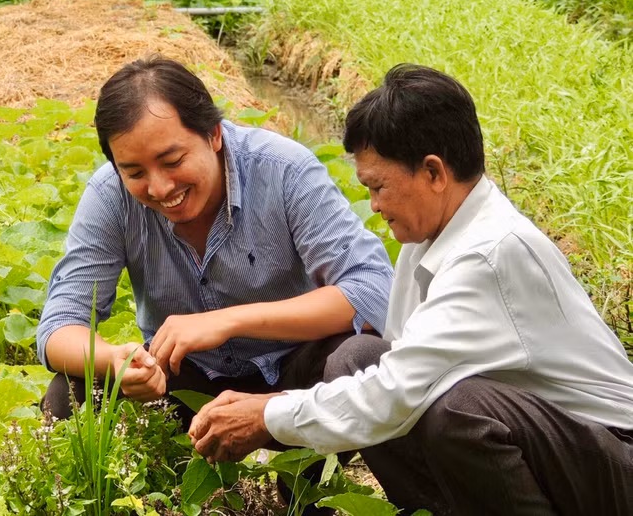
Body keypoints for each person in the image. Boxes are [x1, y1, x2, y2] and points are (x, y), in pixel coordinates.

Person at [188, 64, 633, 515]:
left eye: (379, 187)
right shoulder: (428, 241)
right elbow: (391, 370)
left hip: (613, 458)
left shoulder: (487, 253)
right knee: (354, 358)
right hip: (552, 449)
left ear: (434, 173)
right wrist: (278, 404)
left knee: (457, 409)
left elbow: (397, 393)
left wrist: (267, 415)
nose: (375, 205)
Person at [36, 56, 393, 429]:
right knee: (71, 391)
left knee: (362, 357)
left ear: (214, 135)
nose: (160, 188)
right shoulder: (110, 197)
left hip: (293, 380)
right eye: (135, 172)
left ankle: (304, 484)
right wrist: (115, 360)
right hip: (185, 378)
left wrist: (228, 322)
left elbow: (371, 289)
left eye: (172, 160)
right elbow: (59, 326)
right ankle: (175, 482)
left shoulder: (283, 169)